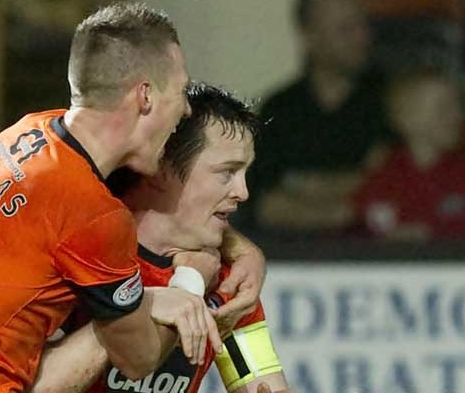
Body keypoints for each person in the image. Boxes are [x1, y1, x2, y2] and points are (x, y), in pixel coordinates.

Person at [0, 3, 266, 393]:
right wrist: (184, 284)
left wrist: (238, 247)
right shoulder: (91, 212)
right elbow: (138, 358)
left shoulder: (26, 134)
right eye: (180, 91)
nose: (186, 111)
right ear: (145, 96)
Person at [29, 83, 291, 393]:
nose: (242, 192)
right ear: (163, 167)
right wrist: (144, 306)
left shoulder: (230, 282)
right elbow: (31, 386)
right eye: (227, 172)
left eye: (245, 173)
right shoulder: (78, 251)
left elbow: (263, 381)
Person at [247, 0, 395, 234]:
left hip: (373, 261)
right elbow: (266, 205)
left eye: (363, 25)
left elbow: (397, 188)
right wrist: (348, 195)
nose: (363, 36)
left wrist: (306, 186)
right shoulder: (280, 109)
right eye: (346, 29)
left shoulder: (391, 102)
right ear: (311, 37)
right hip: (296, 261)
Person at [353, 68, 465, 240]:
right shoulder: (381, 180)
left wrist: (432, 235)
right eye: (442, 108)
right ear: (403, 118)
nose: (456, 116)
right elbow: (358, 231)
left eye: (458, 106)